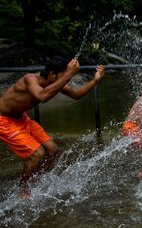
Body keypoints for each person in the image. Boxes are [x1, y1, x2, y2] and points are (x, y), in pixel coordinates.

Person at [0, 56, 105, 198]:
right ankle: (23, 191)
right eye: (62, 77)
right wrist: (68, 75)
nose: (64, 81)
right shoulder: (29, 79)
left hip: (21, 119)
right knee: (37, 153)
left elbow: (75, 95)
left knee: (52, 149)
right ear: (51, 75)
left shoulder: (54, 81)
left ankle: (35, 181)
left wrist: (95, 80)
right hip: (4, 120)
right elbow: (42, 97)